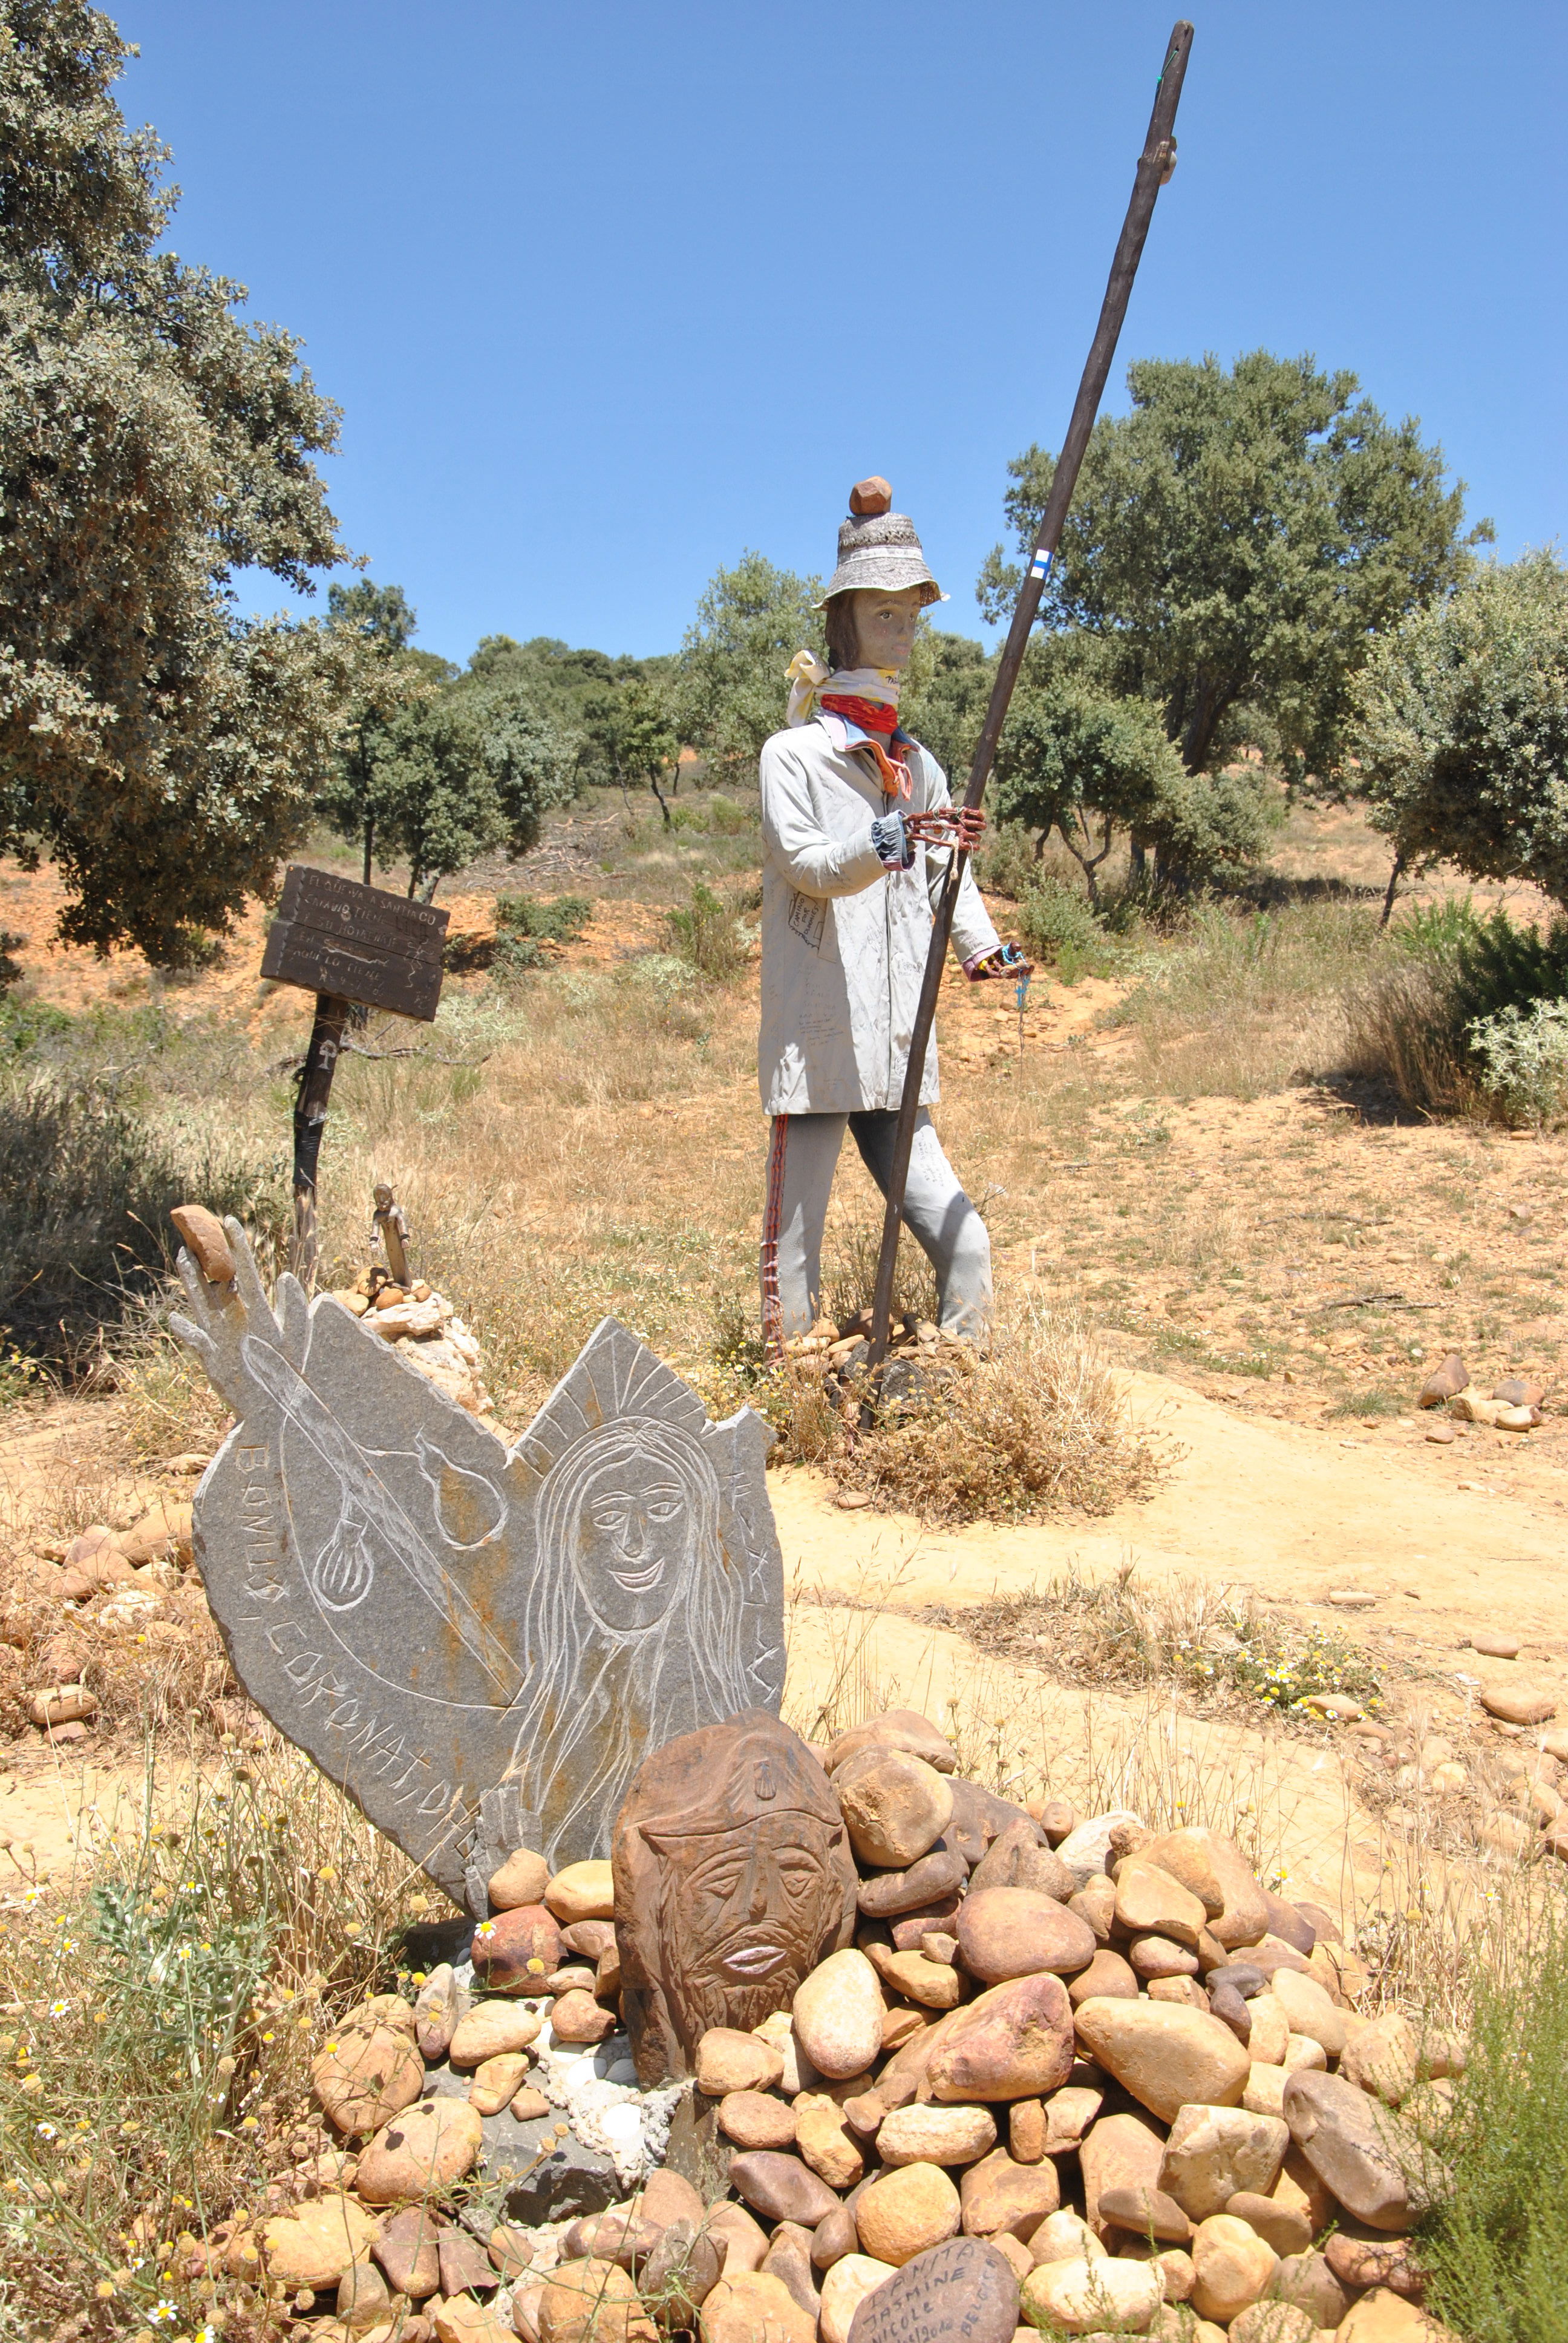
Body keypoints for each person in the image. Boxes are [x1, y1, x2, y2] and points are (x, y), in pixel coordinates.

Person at [757, 478, 1028, 1353]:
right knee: (791, 1257)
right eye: (885, 614)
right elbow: (807, 867)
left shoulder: (920, 763)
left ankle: (956, 1389)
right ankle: (788, 1397)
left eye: (911, 613)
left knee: (968, 1243)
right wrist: (889, 837)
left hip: (899, 1046)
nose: (902, 629)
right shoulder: (795, 757)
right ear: (845, 623)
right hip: (820, 1036)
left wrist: (983, 950)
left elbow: (952, 874)